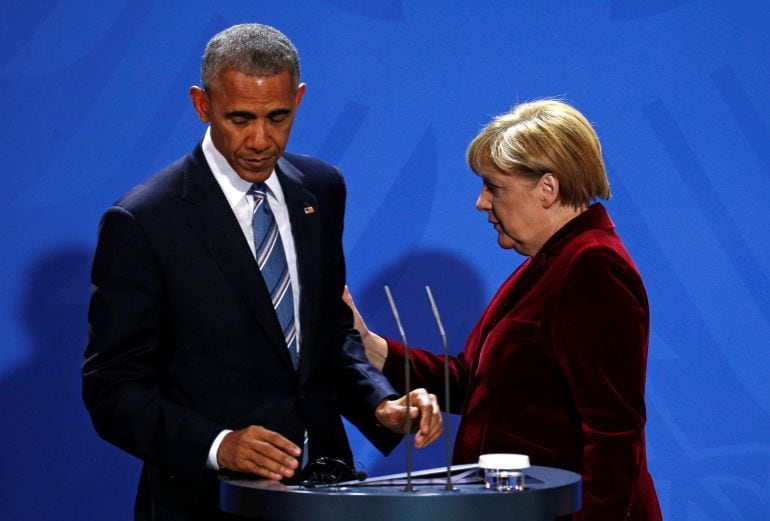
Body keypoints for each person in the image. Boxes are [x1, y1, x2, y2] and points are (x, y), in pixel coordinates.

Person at [82, 23, 441, 521]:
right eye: (239, 118)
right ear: (201, 105)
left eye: (278, 117)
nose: (260, 139)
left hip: (325, 493)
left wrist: (379, 402)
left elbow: (327, 334)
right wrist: (220, 444)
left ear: (298, 98)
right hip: (208, 502)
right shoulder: (145, 221)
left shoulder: (321, 188)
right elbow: (112, 389)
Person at [344, 99, 662, 520]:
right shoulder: (546, 265)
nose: (480, 202)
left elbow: (614, 434)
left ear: (547, 188)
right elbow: (474, 382)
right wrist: (371, 346)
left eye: (494, 187)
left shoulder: (593, 266)